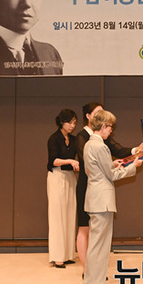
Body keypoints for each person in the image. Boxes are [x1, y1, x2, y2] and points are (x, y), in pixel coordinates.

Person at [74, 102, 143, 274]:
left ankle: (92, 277)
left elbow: (115, 152)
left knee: (97, 240)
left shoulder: (95, 142)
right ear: (91, 118)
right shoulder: (91, 141)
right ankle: (90, 275)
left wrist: (122, 158)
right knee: (92, 236)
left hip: (95, 190)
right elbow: (103, 170)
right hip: (94, 190)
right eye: (99, 114)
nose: (111, 129)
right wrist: (132, 166)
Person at [46, 108, 80, 269]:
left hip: (70, 177)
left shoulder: (74, 139)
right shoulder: (54, 138)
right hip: (57, 176)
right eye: (70, 122)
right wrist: (70, 161)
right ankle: (57, 256)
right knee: (57, 215)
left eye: (74, 123)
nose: (72, 126)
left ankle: (67, 254)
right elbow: (53, 161)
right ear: (62, 122)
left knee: (70, 214)